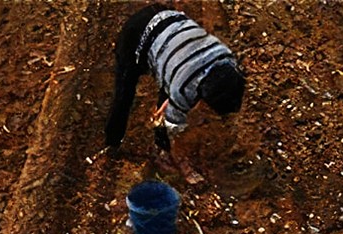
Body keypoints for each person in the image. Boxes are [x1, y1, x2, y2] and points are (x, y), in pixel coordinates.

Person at [105, 4, 245, 184]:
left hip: (169, 17)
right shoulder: (183, 88)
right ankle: (112, 142)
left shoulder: (227, 58)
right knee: (124, 94)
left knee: (169, 87)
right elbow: (174, 130)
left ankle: (158, 141)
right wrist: (182, 160)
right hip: (136, 34)